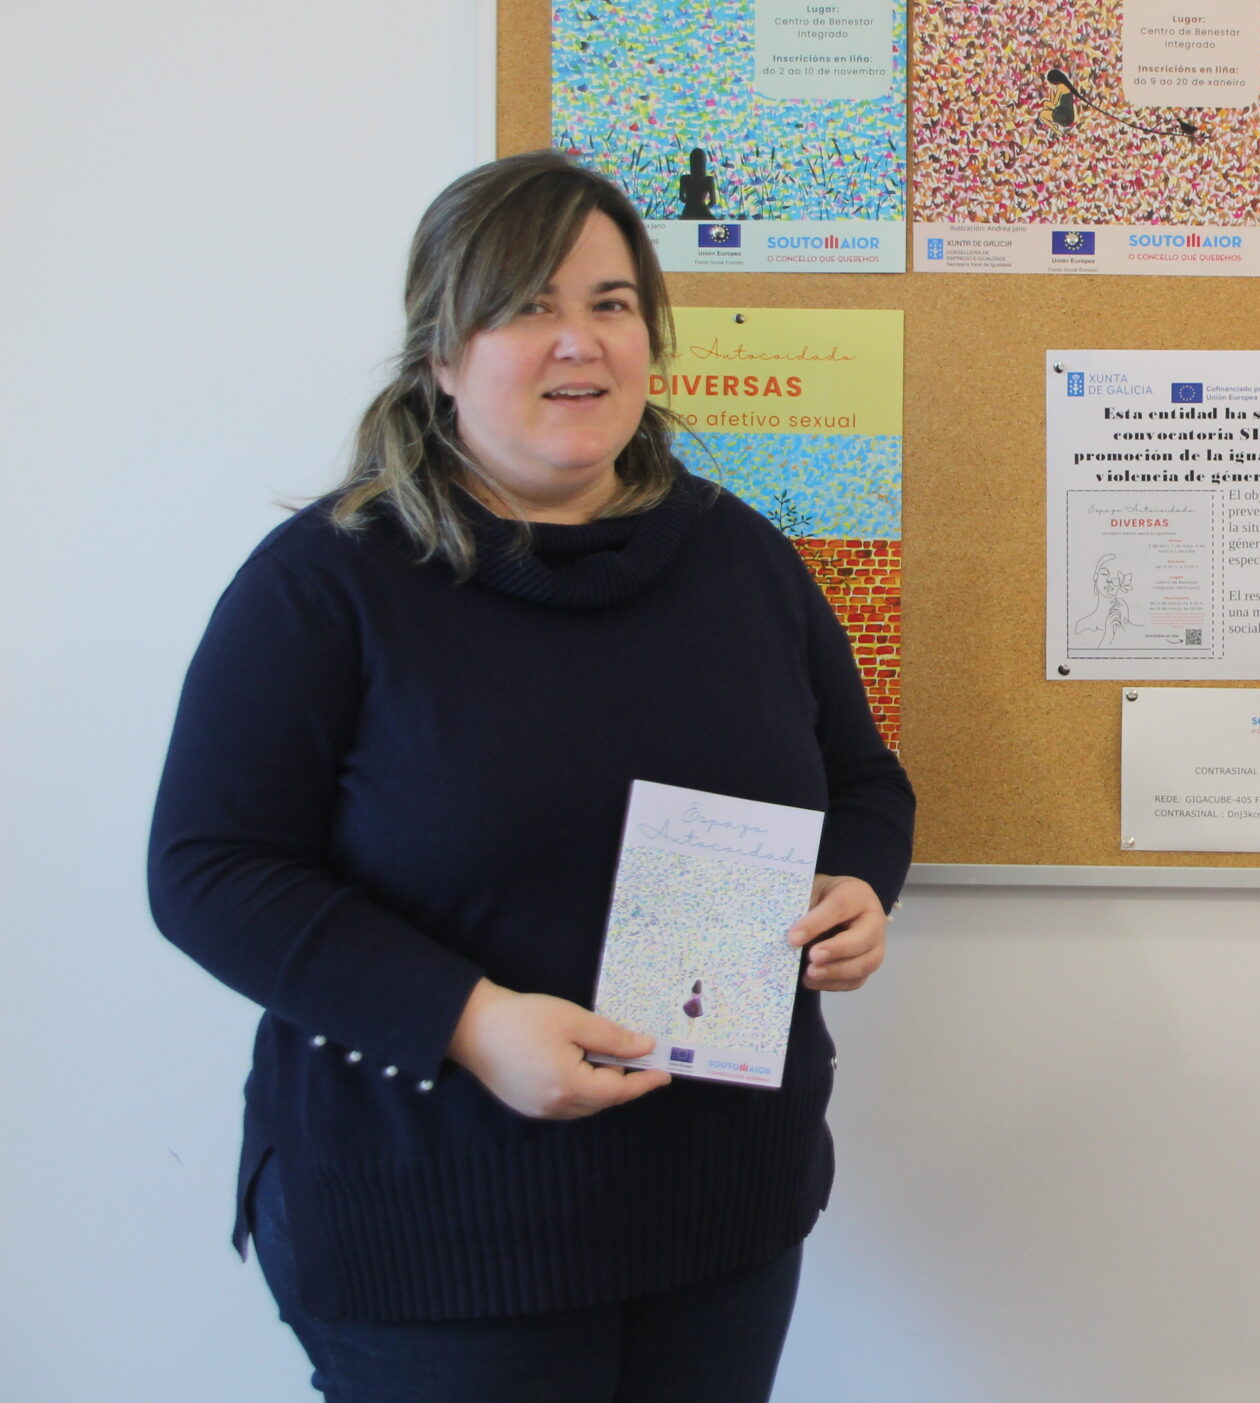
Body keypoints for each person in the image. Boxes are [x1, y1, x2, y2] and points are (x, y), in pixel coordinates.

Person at [148, 153, 913, 1402]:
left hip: (718, 1214)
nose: (581, 343)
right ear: (442, 354)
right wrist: (469, 1020)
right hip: (432, 1225)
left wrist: (859, 888)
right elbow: (207, 871)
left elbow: (864, 783)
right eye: (527, 306)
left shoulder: (740, 557)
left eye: (611, 304)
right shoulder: (327, 581)